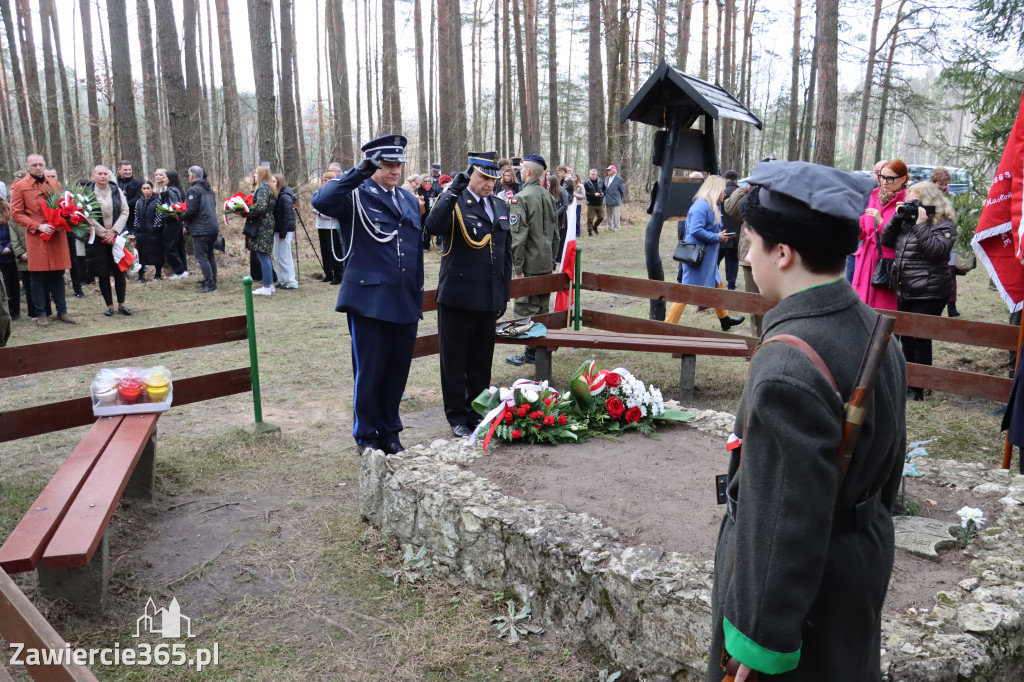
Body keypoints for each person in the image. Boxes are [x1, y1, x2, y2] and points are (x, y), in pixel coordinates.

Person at [707, 160, 906, 682]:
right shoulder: (875, 329)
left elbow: (781, 522)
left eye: (752, 243)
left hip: (799, 604)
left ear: (783, 253)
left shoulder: (786, 364)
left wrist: (757, 643)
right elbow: (889, 477)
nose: (747, 256)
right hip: (856, 567)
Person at [311, 134, 424, 456]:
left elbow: (414, 250)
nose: (395, 171)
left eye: (398, 164)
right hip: (369, 300)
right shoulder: (355, 196)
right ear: (373, 165)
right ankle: (366, 434)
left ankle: (390, 431)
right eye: (387, 164)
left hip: (404, 298)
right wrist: (358, 172)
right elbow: (321, 201)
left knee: (397, 371)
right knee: (370, 371)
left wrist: (417, 292)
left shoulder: (407, 199)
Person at [424, 151, 512, 437]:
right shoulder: (455, 201)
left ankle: (477, 411)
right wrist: (452, 190)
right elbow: (433, 227)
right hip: (458, 297)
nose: (490, 184)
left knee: (481, 360)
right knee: (454, 360)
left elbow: (505, 254)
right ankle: (457, 417)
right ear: (470, 174)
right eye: (484, 177)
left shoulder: (499, 205)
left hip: (488, 296)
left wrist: (503, 293)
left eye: (493, 179)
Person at [880, 181, 956, 401]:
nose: (910, 205)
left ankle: (920, 387)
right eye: (908, 201)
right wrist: (898, 217)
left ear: (928, 202)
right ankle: (908, 382)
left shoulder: (944, 224)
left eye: (914, 201)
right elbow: (886, 240)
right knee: (906, 336)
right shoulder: (907, 221)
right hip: (905, 286)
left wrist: (921, 225)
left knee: (920, 338)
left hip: (930, 289)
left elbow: (937, 251)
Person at [665, 175, 745, 331]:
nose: (725, 193)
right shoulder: (701, 206)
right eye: (723, 191)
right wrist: (717, 237)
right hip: (697, 258)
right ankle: (667, 326)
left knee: (717, 284)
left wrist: (721, 235)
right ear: (715, 190)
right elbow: (695, 230)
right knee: (685, 293)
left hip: (707, 259)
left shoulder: (711, 205)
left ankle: (725, 319)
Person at [506, 154, 559, 367]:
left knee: (526, 309)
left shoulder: (521, 198)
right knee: (542, 308)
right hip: (545, 261)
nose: (519, 172)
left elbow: (518, 238)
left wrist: (517, 268)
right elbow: (556, 235)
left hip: (529, 264)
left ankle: (531, 353)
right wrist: (552, 260)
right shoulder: (548, 196)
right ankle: (537, 352)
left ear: (528, 172)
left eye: (521, 169)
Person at [11, 154, 75, 326]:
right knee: (37, 275)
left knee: (58, 274)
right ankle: (41, 313)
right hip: (36, 235)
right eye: (34, 165)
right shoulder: (20, 186)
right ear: (27, 166)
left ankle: (62, 311)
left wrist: (63, 222)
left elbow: (64, 207)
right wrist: (37, 226)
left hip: (56, 234)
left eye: (41, 164)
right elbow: (16, 214)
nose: (38, 167)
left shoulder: (55, 184)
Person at [852, 159, 908, 311]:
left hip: (887, 262)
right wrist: (855, 226)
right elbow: (864, 228)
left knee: (883, 309)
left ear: (903, 178)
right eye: (882, 176)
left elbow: (906, 237)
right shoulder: (874, 196)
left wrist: (881, 222)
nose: (884, 182)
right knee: (862, 308)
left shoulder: (907, 201)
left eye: (890, 178)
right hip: (865, 260)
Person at [84, 165, 131, 317]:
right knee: (103, 273)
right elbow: (87, 215)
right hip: (98, 238)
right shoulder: (87, 192)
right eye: (100, 174)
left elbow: (125, 211)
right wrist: (104, 234)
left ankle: (122, 304)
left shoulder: (116, 190)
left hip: (116, 236)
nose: (103, 176)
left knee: (119, 271)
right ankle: (109, 306)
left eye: (105, 174)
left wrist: (114, 231)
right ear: (94, 176)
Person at [182, 165, 221, 293]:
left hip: (201, 229)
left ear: (191, 176)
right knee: (210, 255)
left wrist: (180, 216)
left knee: (202, 257)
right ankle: (211, 280)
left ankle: (210, 285)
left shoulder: (193, 191)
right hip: (212, 227)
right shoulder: (210, 190)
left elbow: (192, 211)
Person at [930, 166, 960, 317]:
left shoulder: (952, 196)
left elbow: (957, 216)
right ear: (933, 182)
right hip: (932, 238)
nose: (943, 187)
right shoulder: (928, 197)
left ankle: (951, 304)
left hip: (948, 238)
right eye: (940, 184)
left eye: (946, 184)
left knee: (950, 272)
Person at [245, 166, 278, 296]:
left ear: (262, 175)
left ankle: (266, 286)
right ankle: (269, 284)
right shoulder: (269, 187)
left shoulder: (263, 188)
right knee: (265, 255)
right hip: (266, 223)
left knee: (263, 255)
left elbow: (261, 207)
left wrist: (246, 211)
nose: (254, 176)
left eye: (257, 174)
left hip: (262, 225)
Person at [155, 168, 189, 279]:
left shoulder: (170, 191)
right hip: (178, 222)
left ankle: (179, 271)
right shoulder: (177, 190)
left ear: (170, 179)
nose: (163, 179)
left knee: (170, 246)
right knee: (179, 246)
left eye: (165, 177)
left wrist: (169, 212)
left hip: (173, 221)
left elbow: (173, 206)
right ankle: (183, 270)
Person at [314, 171, 343, 284]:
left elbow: (334, 212)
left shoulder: (335, 194)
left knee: (333, 251)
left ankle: (338, 275)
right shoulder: (320, 192)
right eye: (322, 180)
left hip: (332, 227)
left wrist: (320, 214)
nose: (323, 182)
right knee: (324, 250)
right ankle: (328, 274)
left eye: (326, 180)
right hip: (321, 225)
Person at [271, 173, 298, 289]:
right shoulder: (277, 195)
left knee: (285, 256)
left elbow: (287, 216)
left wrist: (283, 233)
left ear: (279, 182)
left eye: (274, 181)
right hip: (277, 230)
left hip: (284, 231)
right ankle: (282, 280)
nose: (271, 184)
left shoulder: (285, 196)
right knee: (277, 256)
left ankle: (291, 282)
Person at [133, 180, 164, 282]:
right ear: (141, 190)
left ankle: (158, 274)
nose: (146, 191)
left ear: (152, 189)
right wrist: (137, 228)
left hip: (154, 233)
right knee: (141, 255)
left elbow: (159, 217)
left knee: (156, 253)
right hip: (141, 233)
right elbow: (136, 216)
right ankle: (141, 275)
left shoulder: (157, 201)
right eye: (144, 188)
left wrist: (155, 228)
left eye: (148, 188)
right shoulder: (139, 202)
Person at [719, 170, 741, 290]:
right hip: (736, 233)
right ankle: (731, 285)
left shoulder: (720, 192)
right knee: (733, 261)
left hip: (721, 232)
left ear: (725, 180)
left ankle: (713, 283)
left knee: (715, 261)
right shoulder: (741, 193)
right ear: (736, 180)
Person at [0, 199, 18, 320]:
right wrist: (1, 249)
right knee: (4, 284)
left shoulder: (10, 211)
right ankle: (8, 310)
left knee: (14, 284)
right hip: (1, 256)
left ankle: (15, 311)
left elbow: (15, 233)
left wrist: (9, 247)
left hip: (11, 255)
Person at [116, 160, 144, 235]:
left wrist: (125, 205)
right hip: (117, 217)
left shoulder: (138, 183)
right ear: (119, 170)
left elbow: (139, 197)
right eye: (125, 170)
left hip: (133, 217)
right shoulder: (114, 184)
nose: (128, 172)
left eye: (129, 170)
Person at [548, 170, 570, 256]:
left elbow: (565, 205)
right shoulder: (549, 191)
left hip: (561, 218)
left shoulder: (562, 191)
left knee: (561, 237)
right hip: (552, 218)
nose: (548, 184)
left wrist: (556, 214)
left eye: (549, 183)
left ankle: (560, 256)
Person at [604, 164, 626, 232]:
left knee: (616, 215)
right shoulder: (606, 178)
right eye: (607, 170)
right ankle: (609, 227)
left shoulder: (619, 179)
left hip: (615, 200)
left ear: (614, 171)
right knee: (608, 215)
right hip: (607, 199)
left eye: (609, 170)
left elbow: (622, 190)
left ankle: (617, 228)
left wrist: (618, 198)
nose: (608, 171)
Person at [584, 168, 605, 235]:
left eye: (594, 174)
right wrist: (593, 194)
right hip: (590, 203)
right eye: (592, 174)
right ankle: (590, 231)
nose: (593, 176)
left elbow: (605, 189)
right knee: (590, 218)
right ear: (589, 175)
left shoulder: (600, 181)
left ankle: (595, 226)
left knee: (601, 217)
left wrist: (603, 193)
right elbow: (585, 193)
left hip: (599, 203)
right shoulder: (586, 183)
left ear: (597, 175)